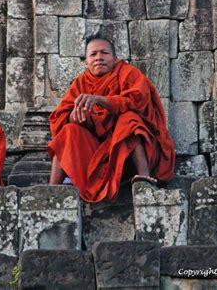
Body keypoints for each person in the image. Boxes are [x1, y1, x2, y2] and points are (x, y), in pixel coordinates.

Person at [48, 37, 175, 203]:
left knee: (128, 119)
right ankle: (51, 189)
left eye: (104, 53)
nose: (98, 57)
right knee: (68, 130)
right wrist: (76, 116)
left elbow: (138, 102)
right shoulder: (80, 83)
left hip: (127, 155)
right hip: (96, 155)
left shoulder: (129, 73)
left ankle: (144, 177)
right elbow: (58, 119)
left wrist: (101, 100)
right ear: (86, 63)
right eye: (93, 54)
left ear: (115, 59)